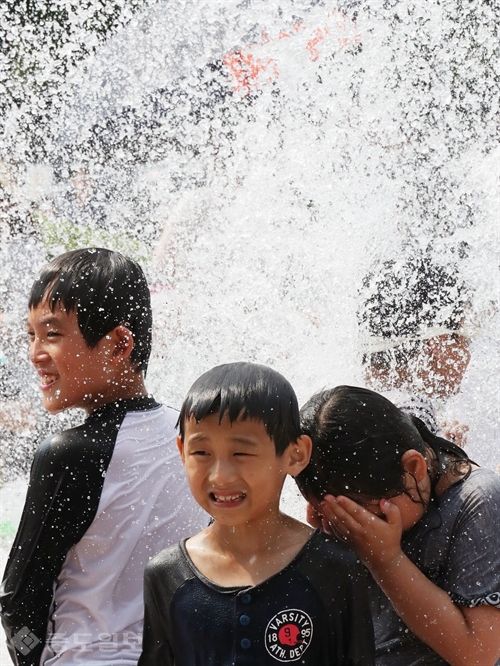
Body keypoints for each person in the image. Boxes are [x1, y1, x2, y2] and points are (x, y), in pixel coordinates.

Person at [0, 248, 207, 666]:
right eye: (31, 335)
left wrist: (27, 660)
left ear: (117, 345)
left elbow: (18, 598)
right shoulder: (193, 438)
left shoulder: (70, 453)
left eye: (52, 334)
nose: (35, 353)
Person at [138, 362, 375, 666]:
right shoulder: (165, 575)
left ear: (295, 454)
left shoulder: (335, 569)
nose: (220, 476)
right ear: (182, 451)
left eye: (241, 453)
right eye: (201, 453)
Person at [296, 385, 500, 666]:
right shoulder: (363, 482)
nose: (353, 527)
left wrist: (386, 560)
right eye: (332, 513)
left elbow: (478, 653)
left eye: (363, 514)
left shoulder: (476, 500)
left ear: (414, 468)